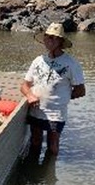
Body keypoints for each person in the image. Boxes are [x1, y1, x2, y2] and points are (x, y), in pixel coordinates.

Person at [21, 22, 86, 159]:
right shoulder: (38, 60)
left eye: (53, 38)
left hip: (56, 113)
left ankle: (49, 177)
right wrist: (30, 95)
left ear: (61, 41)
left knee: (52, 146)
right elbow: (25, 85)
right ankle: (33, 176)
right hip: (36, 110)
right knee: (35, 142)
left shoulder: (71, 63)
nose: (49, 40)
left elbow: (80, 90)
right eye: (47, 37)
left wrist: (61, 97)